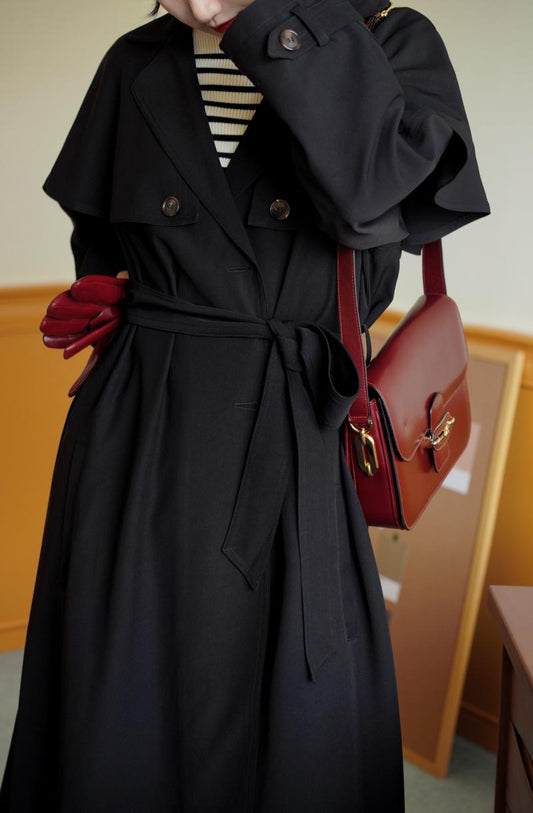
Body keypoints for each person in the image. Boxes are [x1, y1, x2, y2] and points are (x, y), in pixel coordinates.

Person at [0, 0, 489, 810]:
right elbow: (100, 243)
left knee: (294, 717)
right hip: (137, 431)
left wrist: (256, 21)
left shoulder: (386, 38)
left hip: (296, 429)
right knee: (120, 693)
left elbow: (371, 194)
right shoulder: (138, 60)